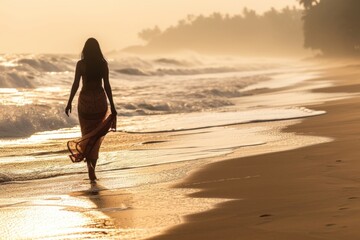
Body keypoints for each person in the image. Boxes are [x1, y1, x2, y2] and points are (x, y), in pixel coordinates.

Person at [65, 38, 117, 182]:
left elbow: (75, 84)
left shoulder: (81, 65)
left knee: (87, 135)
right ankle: (92, 168)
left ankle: (90, 168)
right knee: (96, 136)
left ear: (85, 50)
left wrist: (69, 102)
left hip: (85, 101)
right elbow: (107, 85)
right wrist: (112, 105)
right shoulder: (102, 64)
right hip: (100, 101)